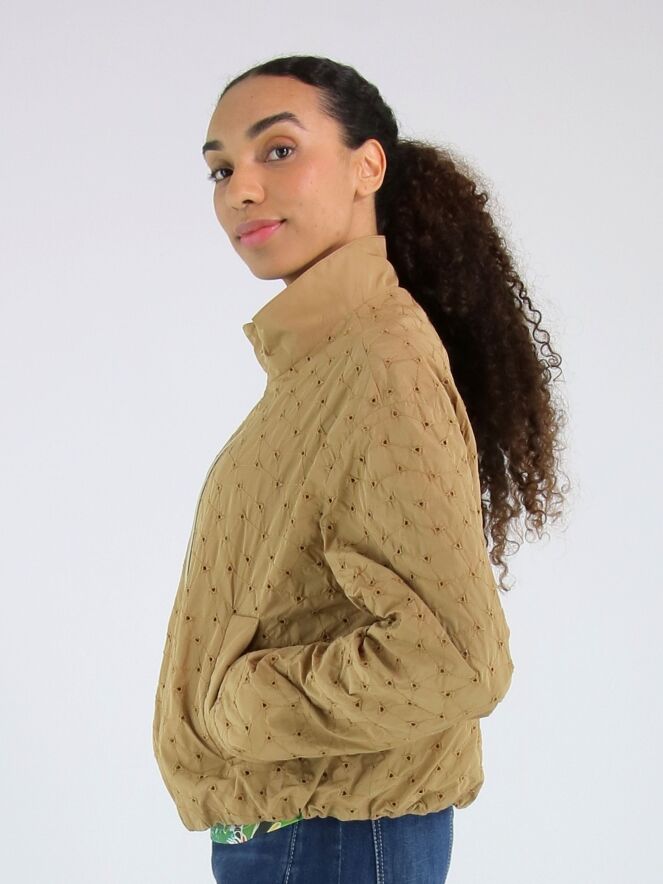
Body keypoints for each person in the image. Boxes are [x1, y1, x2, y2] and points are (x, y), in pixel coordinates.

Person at [152, 54, 569, 884]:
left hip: (331, 836)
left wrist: (240, 704)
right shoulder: (324, 365)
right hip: (304, 831)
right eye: (221, 169)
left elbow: (457, 659)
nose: (241, 190)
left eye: (278, 151)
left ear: (365, 166)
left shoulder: (379, 365)